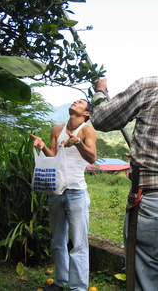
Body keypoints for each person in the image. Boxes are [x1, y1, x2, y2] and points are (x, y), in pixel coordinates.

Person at [90, 34, 158, 291]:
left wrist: (100, 91)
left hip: (151, 203)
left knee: (147, 282)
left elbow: (102, 119)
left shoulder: (150, 85)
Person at [31, 99, 97, 291]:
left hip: (77, 191)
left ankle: (78, 287)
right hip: (56, 191)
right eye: (75, 101)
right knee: (58, 241)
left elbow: (92, 157)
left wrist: (77, 143)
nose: (76, 102)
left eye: (81, 102)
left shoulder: (87, 130)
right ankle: (61, 281)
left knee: (78, 243)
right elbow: (53, 156)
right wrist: (43, 146)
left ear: (86, 113)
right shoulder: (57, 129)